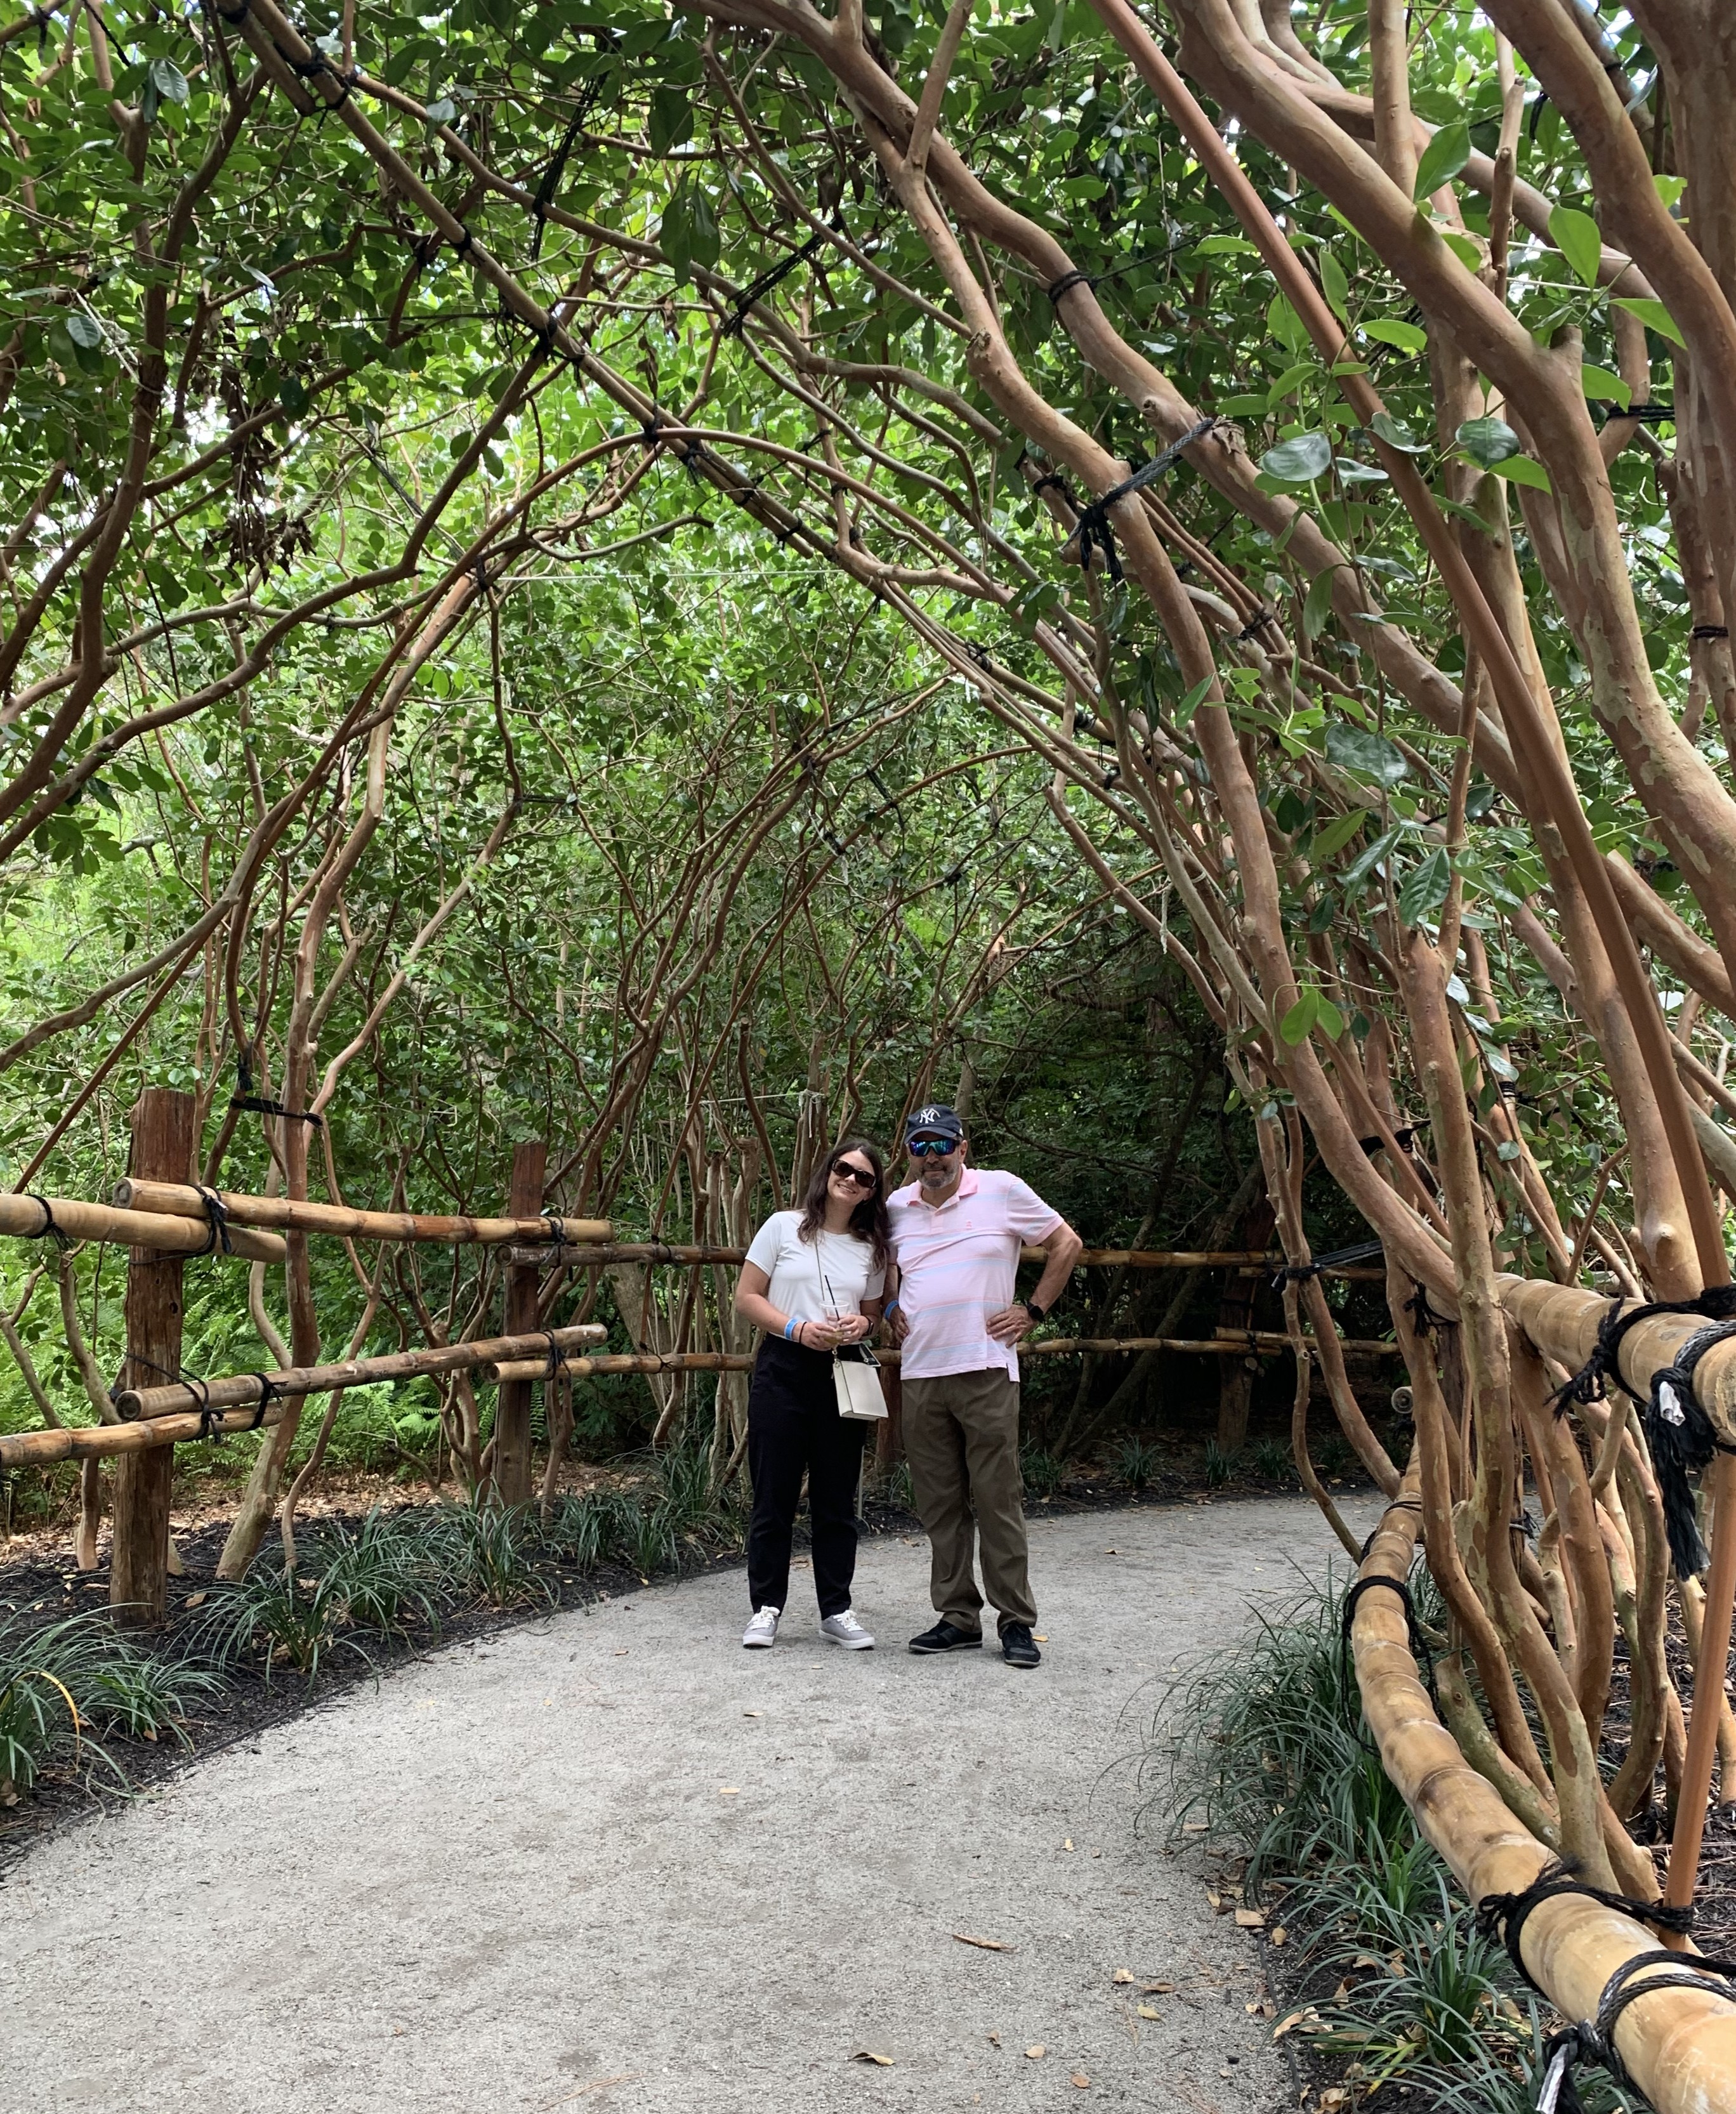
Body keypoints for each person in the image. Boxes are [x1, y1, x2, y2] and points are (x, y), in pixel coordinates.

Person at [883, 1105, 1083, 1669]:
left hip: (986, 1369)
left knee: (998, 1499)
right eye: (920, 1146)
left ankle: (1016, 1621)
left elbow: (1066, 1243)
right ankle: (956, 1618)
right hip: (921, 1373)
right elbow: (884, 1267)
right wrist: (893, 1304)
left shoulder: (1002, 1190)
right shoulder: (897, 1206)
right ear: (909, 1155)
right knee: (940, 1503)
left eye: (942, 1144)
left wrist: (1034, 1310)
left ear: (962, 1148)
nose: (932, 1156)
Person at [733, 1138, 890, 1651]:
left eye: (864, 1177)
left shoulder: (872, 1248)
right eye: (844, 1169)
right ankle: (766, 1608)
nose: (851, 1180)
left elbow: (874, 1317)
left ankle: (836, 1609)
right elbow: (747, 1297)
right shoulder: (782, 1226)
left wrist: (861, 1323)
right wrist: (797, 1329)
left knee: (836, 1497)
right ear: (827, 1172)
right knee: (773, 1493)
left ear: (872, 1192)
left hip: (843, 1371)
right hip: (784, 1367)